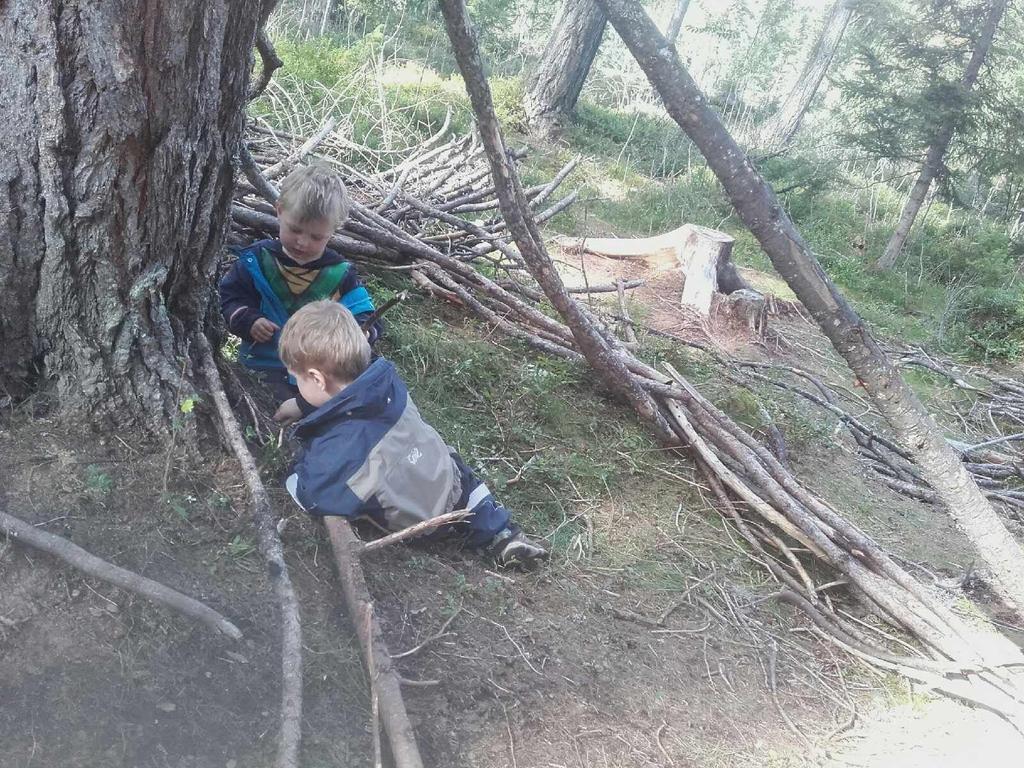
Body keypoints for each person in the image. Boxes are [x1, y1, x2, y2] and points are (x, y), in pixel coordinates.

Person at [276, 300, 548, 568]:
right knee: (465, 482)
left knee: (356, 488)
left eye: (298, 380)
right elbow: (346, 398)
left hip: (421, 521)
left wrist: (294, 469)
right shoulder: (388, 384)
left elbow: (311, 496)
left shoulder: (342, 450)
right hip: (446, 476)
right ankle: (502, 533)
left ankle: (452, 532)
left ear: (317, 379)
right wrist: (304, 404)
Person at [219, 163, 379, 400]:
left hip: (319, 379)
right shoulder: (256, 262)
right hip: (261, 367)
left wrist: (362, 332)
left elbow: (365, 314)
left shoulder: (340, 275)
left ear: (333, 231)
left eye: (316, 237)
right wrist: (249, 320)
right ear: (279, 211)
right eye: (295, 230)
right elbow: (231, 298)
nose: (302, 242)